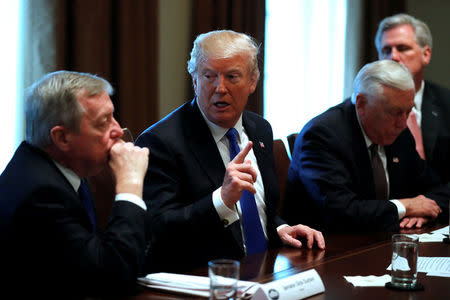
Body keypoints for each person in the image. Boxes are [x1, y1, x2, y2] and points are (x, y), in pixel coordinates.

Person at [135, 30, 324, 273]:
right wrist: (221, 199)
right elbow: (158, 230)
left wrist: (278, 229)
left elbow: (256, 209)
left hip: (264, 272)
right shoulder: (160, 141)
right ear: (194, 81)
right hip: (202, 279)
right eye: (209, 76)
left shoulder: (260, 129)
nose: (219, 88)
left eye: (232, 77)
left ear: (253, 81)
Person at [0, 71, 150, 297]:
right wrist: (130, 184)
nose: (118, 130)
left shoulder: (56, 169)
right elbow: (113, 277)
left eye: (113, 116)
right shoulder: (41, 194)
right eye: (103, 122)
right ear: (62, 138)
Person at [284, 60, 449, 233]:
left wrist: (424, 211)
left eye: (408, 111)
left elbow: (438, 188)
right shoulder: (322, 136)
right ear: (361, 104)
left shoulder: (399, 133)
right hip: (325, 249)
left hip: (380, 240)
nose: (403, 122)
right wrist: (405, 207)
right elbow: (341, 211)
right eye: (395, 112)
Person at [376, 13, 450, 186]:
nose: (393, 57)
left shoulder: (446, 104)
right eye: (386, 50)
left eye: (402, 48)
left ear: (426, 55)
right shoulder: (367, 108)